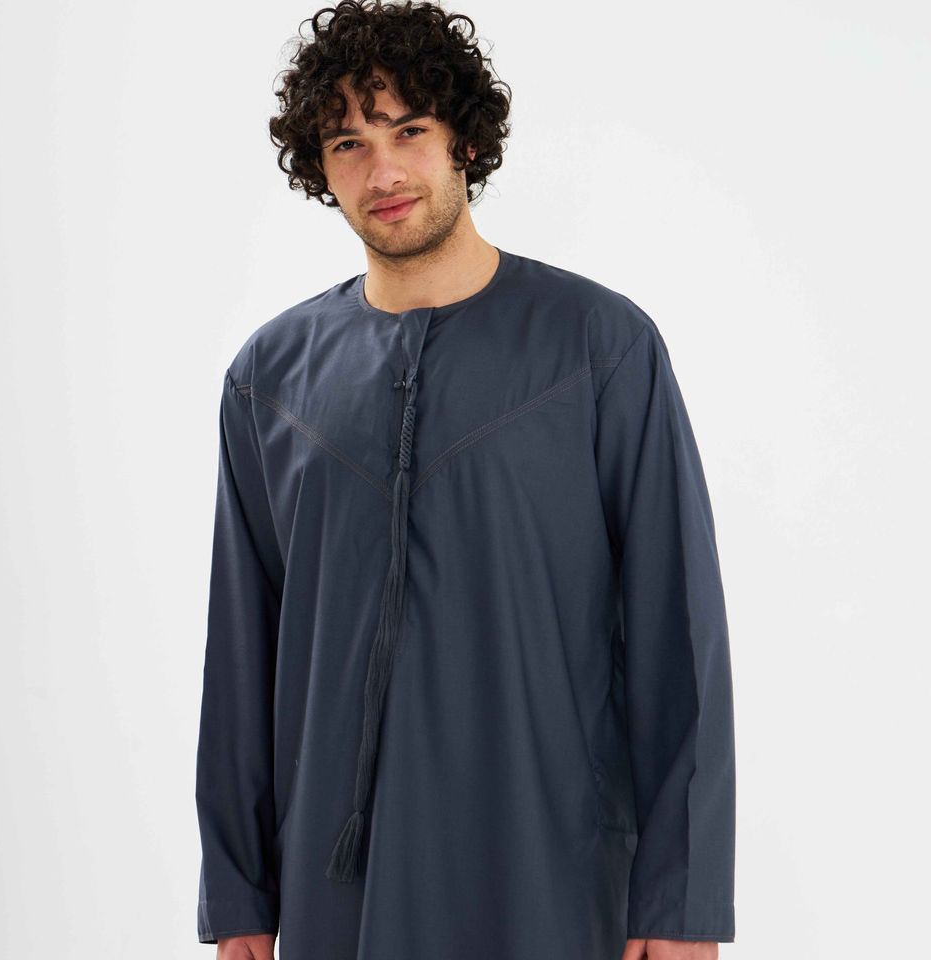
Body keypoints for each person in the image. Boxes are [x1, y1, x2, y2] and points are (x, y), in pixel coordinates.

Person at [194, 2, 736, 959]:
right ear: (320, 169)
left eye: (408, 130)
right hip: (338, 889)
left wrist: (680, 903)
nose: (383, 172)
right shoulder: (269, 379)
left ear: (465, 142)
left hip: (549, 873)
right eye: (349, 143)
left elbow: (675, 630)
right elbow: (243, 651)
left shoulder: (599, 347)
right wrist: (240, 892)